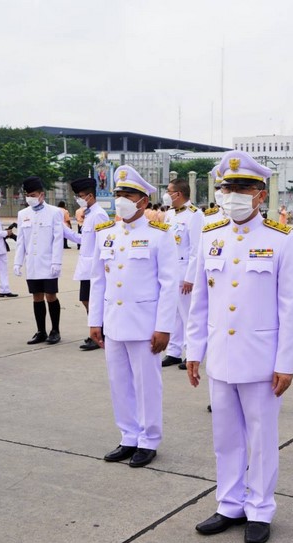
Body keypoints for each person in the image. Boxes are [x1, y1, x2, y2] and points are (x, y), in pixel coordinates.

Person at [186, 150, 293, 543]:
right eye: (226, 187)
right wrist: (193, 351)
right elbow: (200, 301)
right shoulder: (210, 237)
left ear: (260, 194)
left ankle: (260, 508)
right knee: (226, 437)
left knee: (262, 437)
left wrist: (285, 362)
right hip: (220, 357)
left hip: (262, 359)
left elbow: (290, 309)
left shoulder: (282, 241)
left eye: (242, 187)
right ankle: (229, 503)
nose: (232, 194)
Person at [88, 165, 177, 468]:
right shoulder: (106, 234)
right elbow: (98, 280)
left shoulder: (159, 235)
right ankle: (128, 435)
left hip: (145, 324)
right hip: (113, 322)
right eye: (118, 194)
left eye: (128, 194)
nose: (121, 199)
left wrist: (164, 327)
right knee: (119, 382)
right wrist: (94, 320)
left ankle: (149, 439)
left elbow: (169, 284)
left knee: (146, 385)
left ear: (142, 200)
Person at [14, 176, 65, 345]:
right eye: (28, 194)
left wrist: (57, 262)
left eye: (33, 194)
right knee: (37, 297)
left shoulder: (54, 212)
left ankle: (55, 330)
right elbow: (21, 240)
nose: (30, 197)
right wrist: (17, 262)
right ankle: (41, 331)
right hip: (33, 264)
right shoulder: (23, 214)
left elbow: (58, 239)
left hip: (49, 263)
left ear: (42, 195)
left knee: (51, 296)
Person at [63, 177, 111, 351]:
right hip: (86, 264)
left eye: (80, 195)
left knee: (92, 300)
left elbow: (105, 241)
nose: (78, 198)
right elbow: (85, 239)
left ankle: (100, 332)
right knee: (86, 299)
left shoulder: (98, 214)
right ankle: (97, 330)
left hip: (95, 266)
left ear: (90, 195)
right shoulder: (90, 213)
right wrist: (65, 231)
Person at [160, 178, 204, 370]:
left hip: (184, 273)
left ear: (178, 194)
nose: (167, 194)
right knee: (173, 315)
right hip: (170, 272)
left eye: (169, 191)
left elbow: (196, 249)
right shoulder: (169, 214)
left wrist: (190, 277)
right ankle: (174, 351)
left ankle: (191, 353)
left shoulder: (195, 215)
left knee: (188, 316)